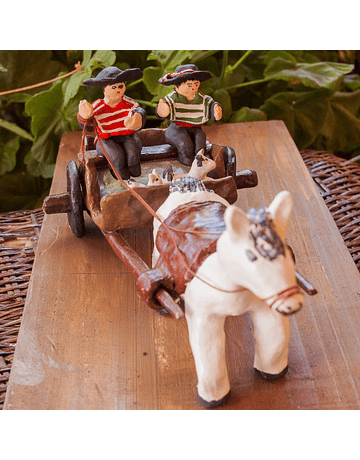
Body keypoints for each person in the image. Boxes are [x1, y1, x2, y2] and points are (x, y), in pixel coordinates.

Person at [77, 66, 146, 180]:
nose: (118, 90)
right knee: (116, 156)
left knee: (134, 151)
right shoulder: (97, 106)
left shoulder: (129, 102)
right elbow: (88, 127)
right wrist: (84, 116)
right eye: (113, 87)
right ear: (105, 89)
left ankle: (134, 169)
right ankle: (118, 172)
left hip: (127, 135)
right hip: (105, 139)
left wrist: (139, 117)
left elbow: (139, 110)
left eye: (120, 86)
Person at [156, 64, 222, 166]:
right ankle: (187, 165)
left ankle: (200, 164)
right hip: (177, 128)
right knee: (185, 144)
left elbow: (211, 109)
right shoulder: (173, 98)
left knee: (200, 144)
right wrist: (163, 109)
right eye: (189, 85)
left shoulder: (203, 99)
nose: (193, 87)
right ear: (178, 85)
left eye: (196, 84)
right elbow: (162, 112)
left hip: (196, 128)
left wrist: (216, 110)